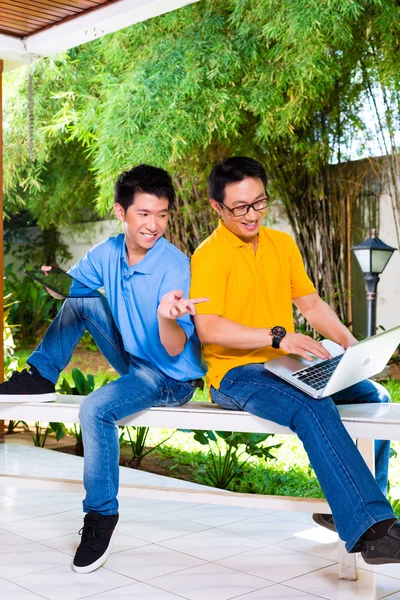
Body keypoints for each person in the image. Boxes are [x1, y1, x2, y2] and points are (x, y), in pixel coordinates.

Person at [190, 155, 400, 564]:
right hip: (234, 375)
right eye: (240, 208)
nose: (252, 215)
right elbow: (209, 329)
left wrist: (351, 345)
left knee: (373, 398)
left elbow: (311, 303)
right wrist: (277, 338)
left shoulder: (280, 244)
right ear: (217, 207)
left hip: (287, 367)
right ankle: (373, 531)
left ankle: (351, 511)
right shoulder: (208, 256)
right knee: (310, 405)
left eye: (260, 203)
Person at [0, 164, 207, 573]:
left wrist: (169, 316)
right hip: (134, 358)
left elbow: (176, 346)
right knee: (80, 300)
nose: (154, 225)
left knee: (95, 409)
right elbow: (72, 292)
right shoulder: (108, 251)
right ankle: (41, 373)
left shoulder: (175, 265)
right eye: (144, 214)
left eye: (162, 215)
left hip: (170, 374)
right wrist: (52, 280)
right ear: (121, 212)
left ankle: (100, 515)